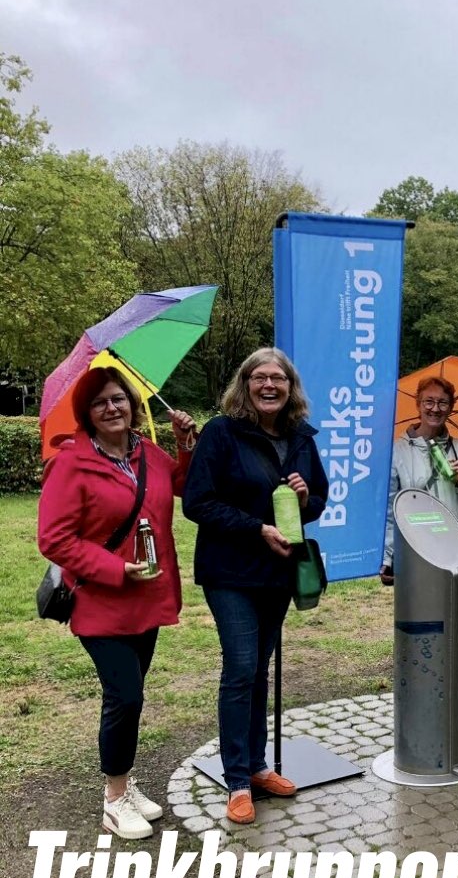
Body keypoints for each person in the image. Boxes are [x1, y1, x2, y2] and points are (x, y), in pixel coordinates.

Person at [38, 367, 197, 839]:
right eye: (100, 402)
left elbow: (183, 486)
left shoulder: (148, 452)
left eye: (119, 399)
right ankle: (113, 799)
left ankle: (125, 786)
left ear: (132, 406)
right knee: (124, 696)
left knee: (132, 697)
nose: (112, 408)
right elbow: (54, 539)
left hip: (147, 596)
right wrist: (112, 570)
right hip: (102, 602)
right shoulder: (72, 463)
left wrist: (185, 444)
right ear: (87, 414)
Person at [182, 347, 328, 824]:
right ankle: (238, 781)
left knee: (259, 670)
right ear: (245, 385)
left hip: (279, 572)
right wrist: (255, 528)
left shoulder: (302, 438)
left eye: (278, 379)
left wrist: (307, 497)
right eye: (260, 378)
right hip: (231, 572)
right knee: (242, 667)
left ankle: (258, 766)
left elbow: (319, 500)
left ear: (291, 388)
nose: (269, 385)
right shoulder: (223, 433)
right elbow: (198, 502)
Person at [380, 376, 458, 584]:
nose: (435, 409)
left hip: (454, 552)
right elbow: (390, 510)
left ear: (451, 407)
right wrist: (388, 557)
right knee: (419, 612)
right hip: (415, 550)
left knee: (454, 614)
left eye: (443, 402)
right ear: (418, 404)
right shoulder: (398, 452)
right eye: (429, 401)